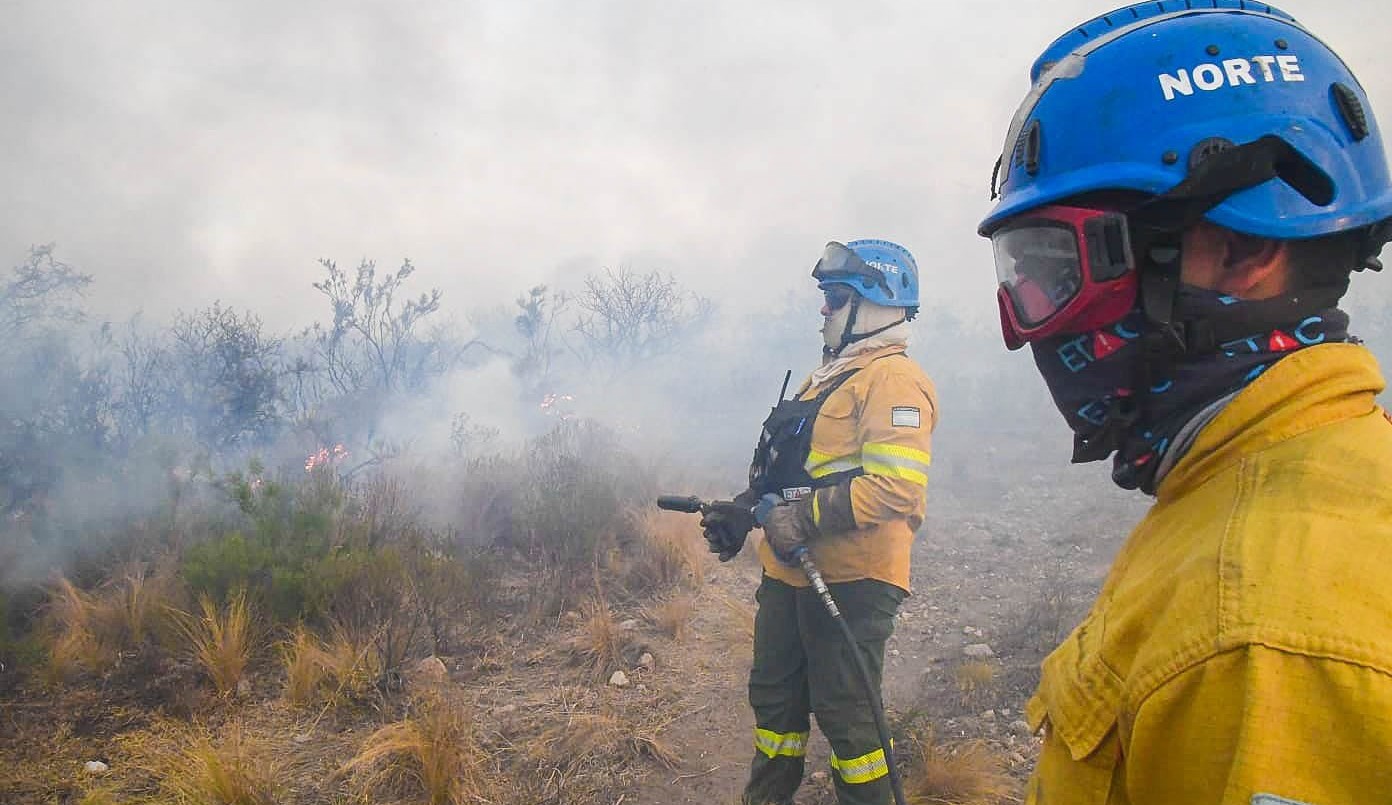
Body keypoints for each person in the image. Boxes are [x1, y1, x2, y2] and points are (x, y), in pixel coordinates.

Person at [978, 2, 1392, 802]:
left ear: (1241, 248)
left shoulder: (1254, 644)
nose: (1028, 322)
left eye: (1057, 265)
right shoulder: (1287, 469)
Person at [701, 239, 938, 805]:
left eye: (834, 298)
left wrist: (800, 520)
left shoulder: (893, 382)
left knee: (848, 719)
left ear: (876, 304)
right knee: (775, 707)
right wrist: (744, 508)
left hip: (853, 579)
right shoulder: (827, 378)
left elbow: (897, 486)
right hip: (788, 577)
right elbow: (792, 472)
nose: (824, 310)